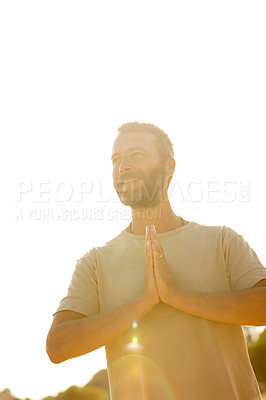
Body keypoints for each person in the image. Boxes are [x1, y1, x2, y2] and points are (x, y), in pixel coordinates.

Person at [46, 122, 266, 400]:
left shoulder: (222, 241)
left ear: (169, 166)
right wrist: (143, 303)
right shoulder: (94, 263)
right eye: (116, 159)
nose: (123, 166)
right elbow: (58, 346)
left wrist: (176, 296)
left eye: (136, 154)